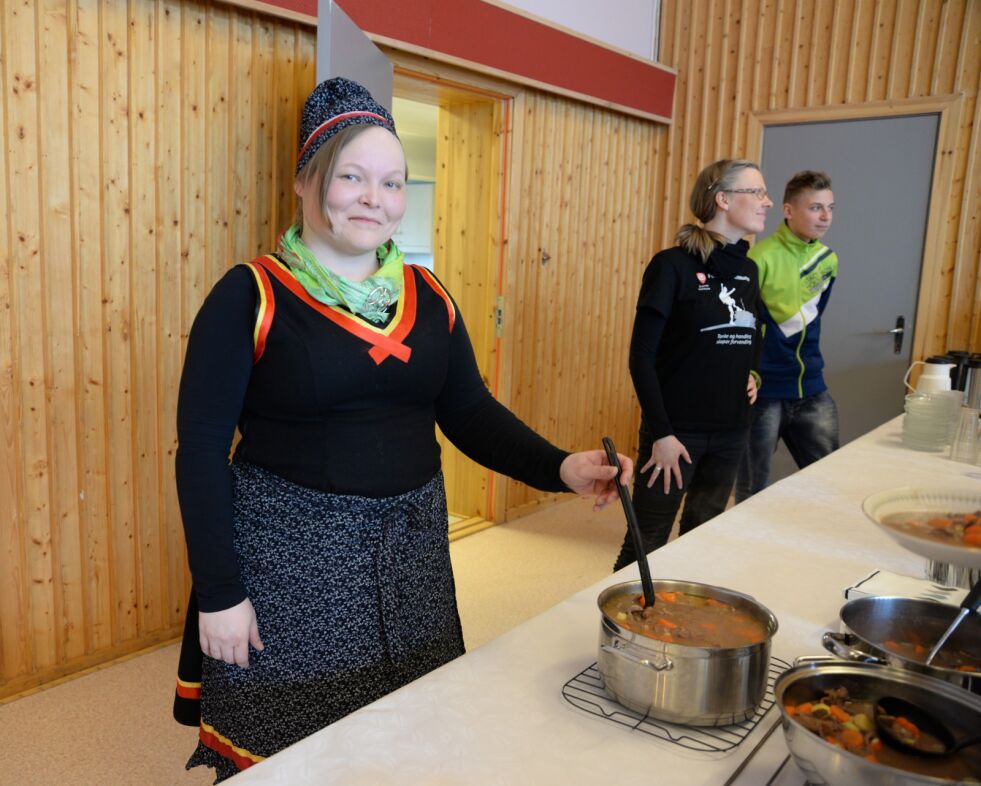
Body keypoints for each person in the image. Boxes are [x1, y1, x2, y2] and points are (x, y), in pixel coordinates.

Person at [172, 77, 633, 781]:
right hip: (290, 569)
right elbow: (202, 453)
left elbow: (470, 412)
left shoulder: (430, 295)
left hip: (414, 559)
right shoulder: (250, 294)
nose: (373, 198)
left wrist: (559, 467)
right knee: (293, 757)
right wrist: (220, 593)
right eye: (350, 176)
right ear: (305, 180)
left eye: (392, 183)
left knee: (410, 736)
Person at [613, 159, 769, 571]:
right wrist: (662, 433)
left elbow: (754, 332)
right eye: (756, 192)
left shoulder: (749, 271)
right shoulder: (671, 266)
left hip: (731, 432)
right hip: (675, 435)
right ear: (722, 199)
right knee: (645, 546)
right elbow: (641, 356)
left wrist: (753, 372)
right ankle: (619, 631)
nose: (766, 202)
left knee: (702, 541)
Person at [735, 171, 839, 502]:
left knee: (830, 480)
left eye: (830, 208)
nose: (825, 217)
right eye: (815, 208)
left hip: (812, 387)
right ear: (789, 210)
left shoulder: (828, 260)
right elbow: (746, 326)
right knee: (752, 488)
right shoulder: (758, 257)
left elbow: (812, 320)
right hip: (765, 391)